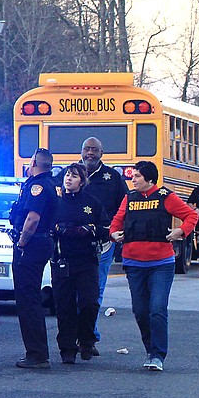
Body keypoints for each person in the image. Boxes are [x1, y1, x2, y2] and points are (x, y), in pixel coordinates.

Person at [109, 161, 198, 372]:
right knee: (140, 311)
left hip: (161, 264)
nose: (133, 179)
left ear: (149, 179)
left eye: (138, 176)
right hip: (133, 263)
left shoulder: (166, 197)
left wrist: (180, 232)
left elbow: (191, 215)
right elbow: (116, 221)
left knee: (157, 309)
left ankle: (158, 355)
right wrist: (113, 234)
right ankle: (150, 350)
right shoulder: (129, 198)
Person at [51, 163, 110, 364]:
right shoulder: (56, 202)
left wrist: (89, 229)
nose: (69, 179)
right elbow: (46, 226)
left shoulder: (92, 203)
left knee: (88, 302)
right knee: (64, 305)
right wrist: (58, 229)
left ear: (82, 181)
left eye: (74, 176)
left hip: (87, 260)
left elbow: (106, 228)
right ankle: (67, 347)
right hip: (62, 260)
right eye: (67, 175)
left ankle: (86, 341)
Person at [11, 148, 61, 369]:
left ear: (33, 162)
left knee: (27, 299)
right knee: (29, 298)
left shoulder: (37, 186)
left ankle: (37, 354)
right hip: (41, 243)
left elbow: (32, 219)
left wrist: (21, 243)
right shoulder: (49, 184)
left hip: (32, 245)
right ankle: (37, 352)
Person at [80, 137, 129, 355]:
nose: (90, 153)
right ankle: (75, 335)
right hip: (73, 243)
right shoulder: (70, 175)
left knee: (95, 290)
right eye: (86, 149)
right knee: (72, 293)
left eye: (94, 150)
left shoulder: (113, 178)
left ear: (102, 153)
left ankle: (89, 336)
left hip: (103, 243)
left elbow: (126, 205)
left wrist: (117, 232)